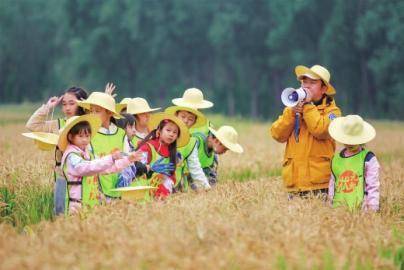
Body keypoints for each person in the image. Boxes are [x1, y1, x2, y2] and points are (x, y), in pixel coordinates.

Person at [270, 65, 342, 197]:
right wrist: (292, 113)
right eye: (304, 82)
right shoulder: (293, 109)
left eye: (313, 82)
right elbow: (277, 134)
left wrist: (308, 106)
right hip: (294, 185)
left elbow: (320, 130)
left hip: (320, 185)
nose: (306, 86)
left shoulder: (333, 112)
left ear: (324, 89)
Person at [58, 114, 141, 214]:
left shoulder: (88, 155)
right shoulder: (72, 157)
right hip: (76, 207)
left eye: (87, 136)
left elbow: (107, 168)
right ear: (71, 137)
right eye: (80, 136)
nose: (85, 139)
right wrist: (111, 157)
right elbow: (89, 168)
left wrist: (128, 160)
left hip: (91, 206)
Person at [25, 86, 88, 215]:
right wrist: (48, 107)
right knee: (61, 214)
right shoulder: (58, 124)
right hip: (62, 177)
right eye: (64, 104)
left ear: (81, 104)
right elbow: (32, 125)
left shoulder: (90, 125)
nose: (67, 108)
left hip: (86, 176)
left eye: (72, 103)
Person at [77, 92, 126, 199]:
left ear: (109, 113)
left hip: (120, 190)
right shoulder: (88, 136)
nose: (93, 114)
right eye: (91, 111)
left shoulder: (121, 134)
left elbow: (127, 160)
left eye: (97, 111)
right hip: (96, 193)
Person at [328, 115, 380, 211]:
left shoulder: (368, 158)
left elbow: (373, 187)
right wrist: (330, 209)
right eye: (347, 140)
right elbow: (332, 186)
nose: (350, 143)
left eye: (353, 140)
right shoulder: (335, 159)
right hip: (337, 213)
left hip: (361, 213)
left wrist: (373, 210)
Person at [135, 113, 190, 198]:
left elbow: (173, 176)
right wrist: (152, 171)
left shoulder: (175, 155)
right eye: (168, 130)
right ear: (158, 132)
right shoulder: (148, 147)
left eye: (175, 132)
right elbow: (137, 169)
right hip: (142, 188)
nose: (171, 134)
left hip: (162, 192)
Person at [165, 106, 211, 191]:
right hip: (159, 181)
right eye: (183, 116)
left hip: (178, 186)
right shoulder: (164, 133)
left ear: (194, 122)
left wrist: (206, 188)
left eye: (190, 119)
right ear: (176, 115)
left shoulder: (191, 142)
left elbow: (195, 167)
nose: (186, 121)